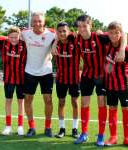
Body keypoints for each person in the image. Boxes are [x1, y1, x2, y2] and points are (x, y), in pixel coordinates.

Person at [74, 15, 127, 146]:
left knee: (102, 103)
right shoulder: (75, 38)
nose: (82, 29)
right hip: (86, 75)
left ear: (90, 26)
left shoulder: (101, 37)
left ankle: (101, 135)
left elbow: (122, 34)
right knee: (84, 103)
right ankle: (84, 133)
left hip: (101, 76)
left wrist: (121, 49)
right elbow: (57, 33)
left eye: (84, 26)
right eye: (79, 26)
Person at [21, 12, 55, 137]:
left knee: (48, 100)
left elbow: (68, 34)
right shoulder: (25, 33)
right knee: (28, 99)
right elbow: (10, 36)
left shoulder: (52, 34)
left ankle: (48, 127)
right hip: (29, 71)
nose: (37, 23)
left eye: (39, 21)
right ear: (31, 22)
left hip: (46, 71)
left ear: (44, 22)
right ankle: (31, 127)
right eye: (34, 21)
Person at [0, 27, 27, 136]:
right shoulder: (2, 43)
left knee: (20, 102)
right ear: (8, 37)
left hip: (21, 79)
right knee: (8, 100)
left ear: (19, 36)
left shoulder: (24, 44)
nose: (13, 39)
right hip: (8, 78)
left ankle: (20, 126)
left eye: (16, 37)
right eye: (11, 37)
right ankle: (8, 126)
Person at [52, 22, 80, 138]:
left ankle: (75, 128)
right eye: (60, 31)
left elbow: (78, 33)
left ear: (68, 32)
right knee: (61, 102)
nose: (62, 33)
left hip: (74, 79)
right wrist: (54, 43)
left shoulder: (75, 41)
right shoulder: (55, 43)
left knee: (74, 102)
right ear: (57, 32)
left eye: (65, 31)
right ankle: (62, 128)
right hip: (61, 79)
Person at [104, 21, 128, 146]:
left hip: (124, 86)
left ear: (121, 33)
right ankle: (113, 137)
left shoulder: (126, 48)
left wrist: (123, 49)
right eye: (111, 33)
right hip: (110, 86)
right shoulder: (106, 43)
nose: (113, 35)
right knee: (112, 109)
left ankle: (127, 137)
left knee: (126, 110)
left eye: (116, 33)